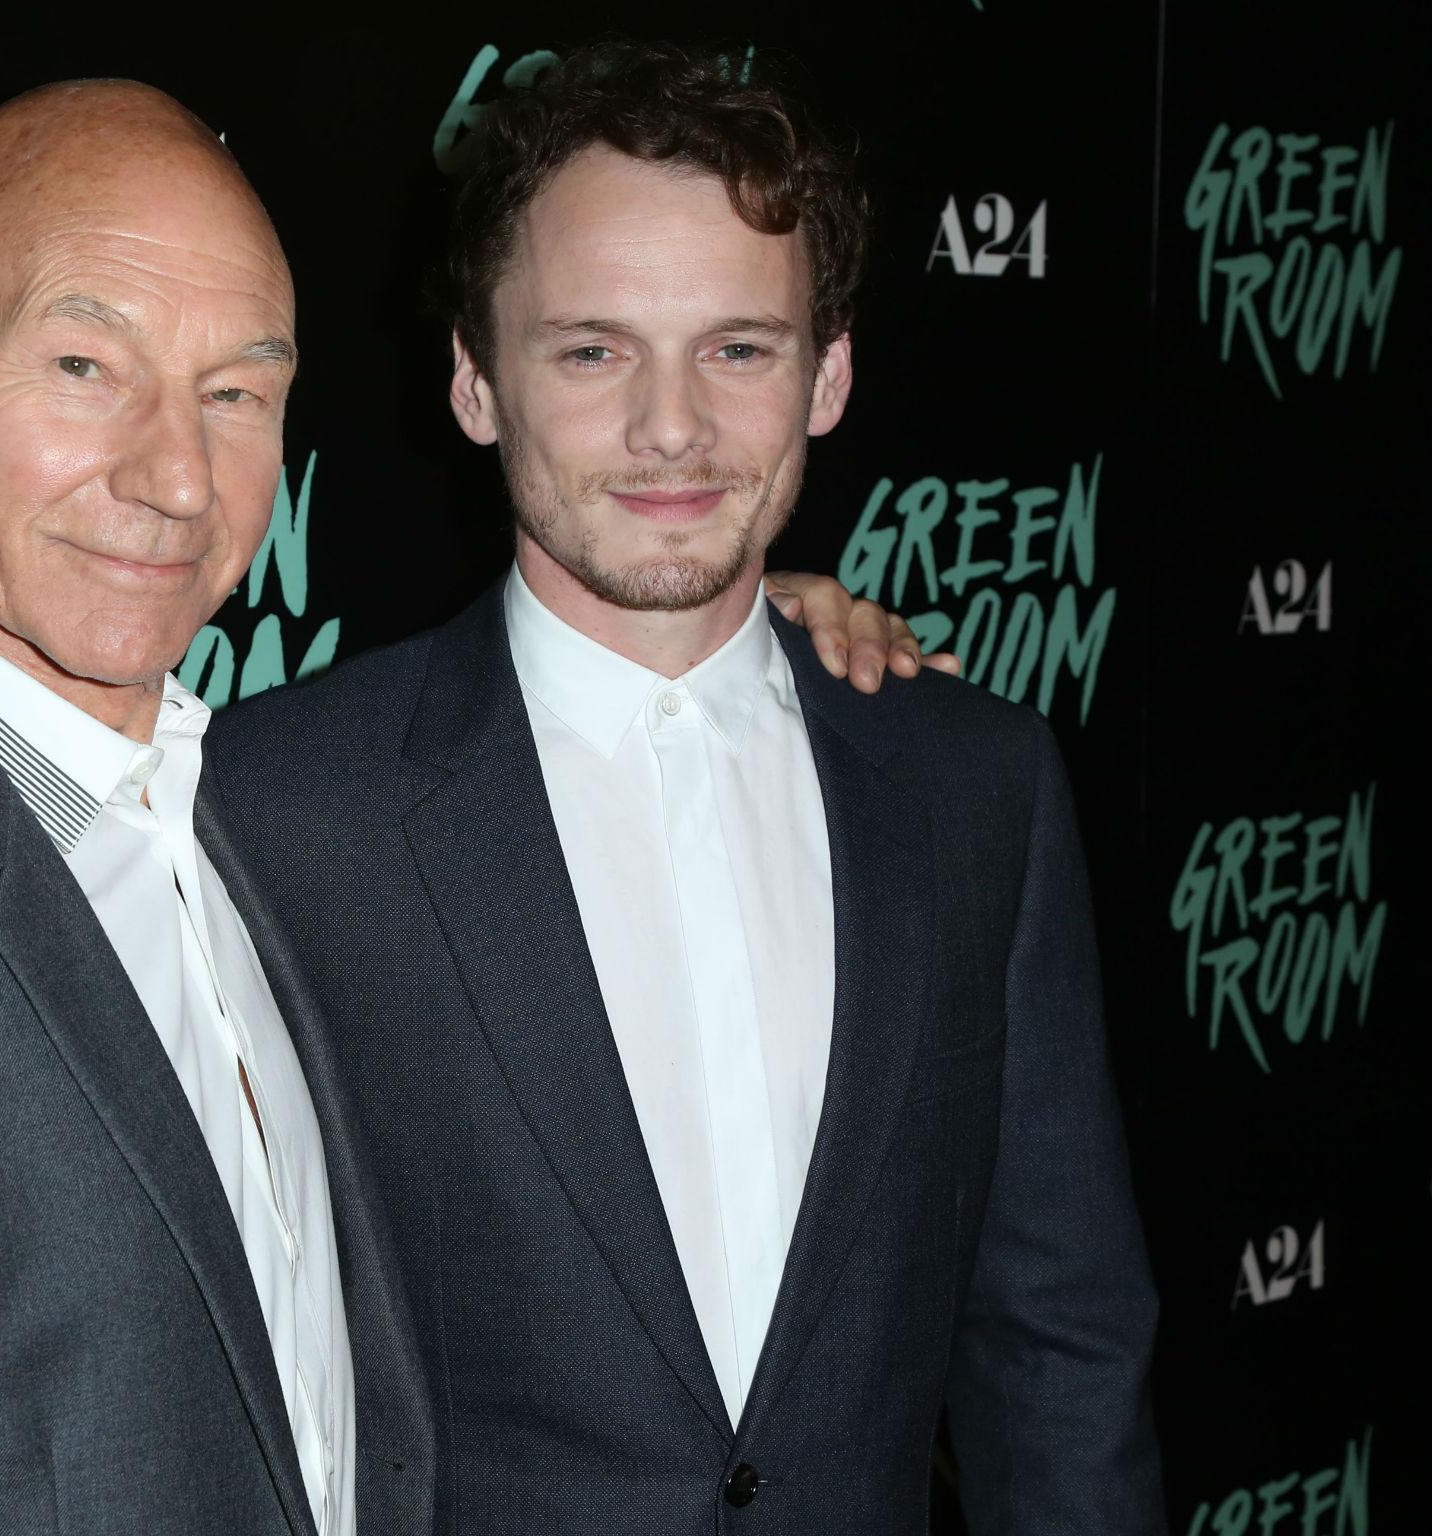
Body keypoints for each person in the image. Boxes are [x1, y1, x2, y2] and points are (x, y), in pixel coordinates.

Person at [0, 78, 913, 1535]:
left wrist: (759, 653)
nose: (176, 476)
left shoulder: (235, 807)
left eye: (237, 393)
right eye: (83, 365)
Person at [203, 42, 1164, 1535]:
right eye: (591, 350)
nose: (671, 428)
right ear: (475, 381)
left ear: (828, 373)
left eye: (738, 348)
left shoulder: (978, 789)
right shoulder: (274, 815)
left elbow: (1060, 1348)